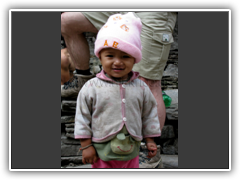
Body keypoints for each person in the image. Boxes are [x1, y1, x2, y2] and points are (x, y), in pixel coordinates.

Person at [61, 11, 177, 168]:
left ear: (135, 59)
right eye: (110, 56)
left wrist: (150, 140)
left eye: (125, 57)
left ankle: (145, 153)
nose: (118, 62)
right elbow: (82, 117)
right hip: (101, 149)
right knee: (67, 19)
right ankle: (81, 77)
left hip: (131, 149)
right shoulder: (91, 87)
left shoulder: (141, 88)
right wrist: (87, 145)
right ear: (99, 57)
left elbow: (149, 114)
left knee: (149, 82)